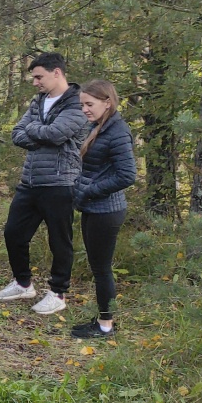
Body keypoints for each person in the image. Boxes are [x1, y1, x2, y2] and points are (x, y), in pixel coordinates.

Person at [0, 52, 90, 315]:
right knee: (13, 232)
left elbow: (57, 134)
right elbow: (17, 133)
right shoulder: (39, 101)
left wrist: (36, 131)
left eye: (39, 77)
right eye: (34, 77)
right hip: (31, 180)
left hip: (60, 182)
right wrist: (42, 133)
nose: (35, 82)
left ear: (56, 72)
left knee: (59, 240)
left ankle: (58, 293)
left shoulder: (76, 104)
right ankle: (23, 283)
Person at [71, 79, 137, 338]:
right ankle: (103, 319)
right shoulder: (99, 127)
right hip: (93, 208)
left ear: (107, 102)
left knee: (102, 270)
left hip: (106, 210)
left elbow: (127, 176)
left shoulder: (118, 131)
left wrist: (89, 191)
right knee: (98, 268)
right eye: (82, 105)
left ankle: (106, 326)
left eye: (89, 104)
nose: (85, 109)